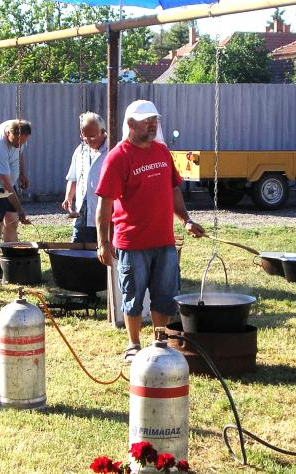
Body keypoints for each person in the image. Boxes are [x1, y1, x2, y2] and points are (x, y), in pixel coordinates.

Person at [95, 100, 205, 363]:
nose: (153, 124)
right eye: (146, 121)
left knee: (164, 294)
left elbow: (174, 189)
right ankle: (133, 344)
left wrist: (186, 219)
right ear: (130, 125)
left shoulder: (162, 152)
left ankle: (159, 341)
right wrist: (102, 241)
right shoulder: (118, 157)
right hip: (131, 241)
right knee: (132, 295)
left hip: (164, 240)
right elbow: (105, 203)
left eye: (155, 120)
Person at [0, 119, 32, 279]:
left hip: (10, 183)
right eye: (16, 142)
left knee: (12, 223)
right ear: (9, 134)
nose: (18, 145)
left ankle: (12, 262)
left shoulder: (19, 135)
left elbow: (20, 152)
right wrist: (20, 209)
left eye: (22, 142)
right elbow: (5, 184)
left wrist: (22, 173)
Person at [62, 112, 108, 243]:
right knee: (77, 252)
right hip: (82, 213)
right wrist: (68, 197)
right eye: (84, 137)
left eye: (92, 136)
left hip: (105, 212)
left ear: (103, 131)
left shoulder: (113, 149)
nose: (88, 141)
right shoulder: (80, 150)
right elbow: (73, 177)